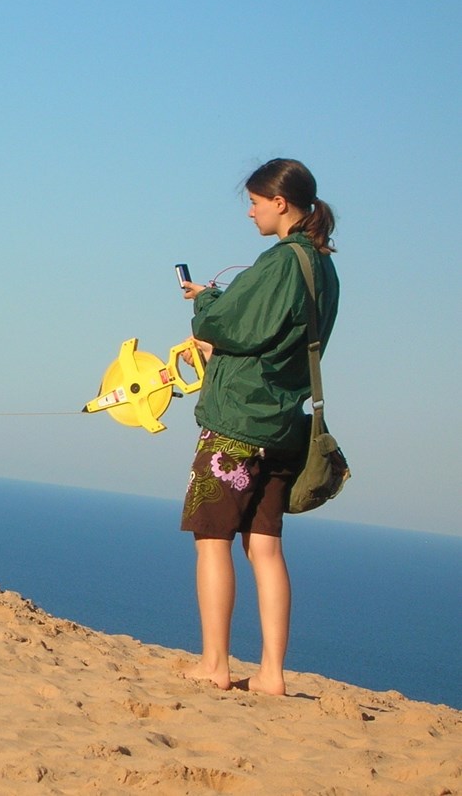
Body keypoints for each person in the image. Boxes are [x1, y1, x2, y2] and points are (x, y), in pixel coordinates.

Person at [177, 158, 339, 696]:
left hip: (238, 422)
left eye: (254, 201)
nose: (250, 212)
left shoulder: (281, 262)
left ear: (280, 202)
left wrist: (207, 303)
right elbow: (275, 334)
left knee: (212, 538)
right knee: (266, 547)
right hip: (284, 426)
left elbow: (230, 325)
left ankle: (214, 665)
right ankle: (272, 674)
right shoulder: (324, 266)